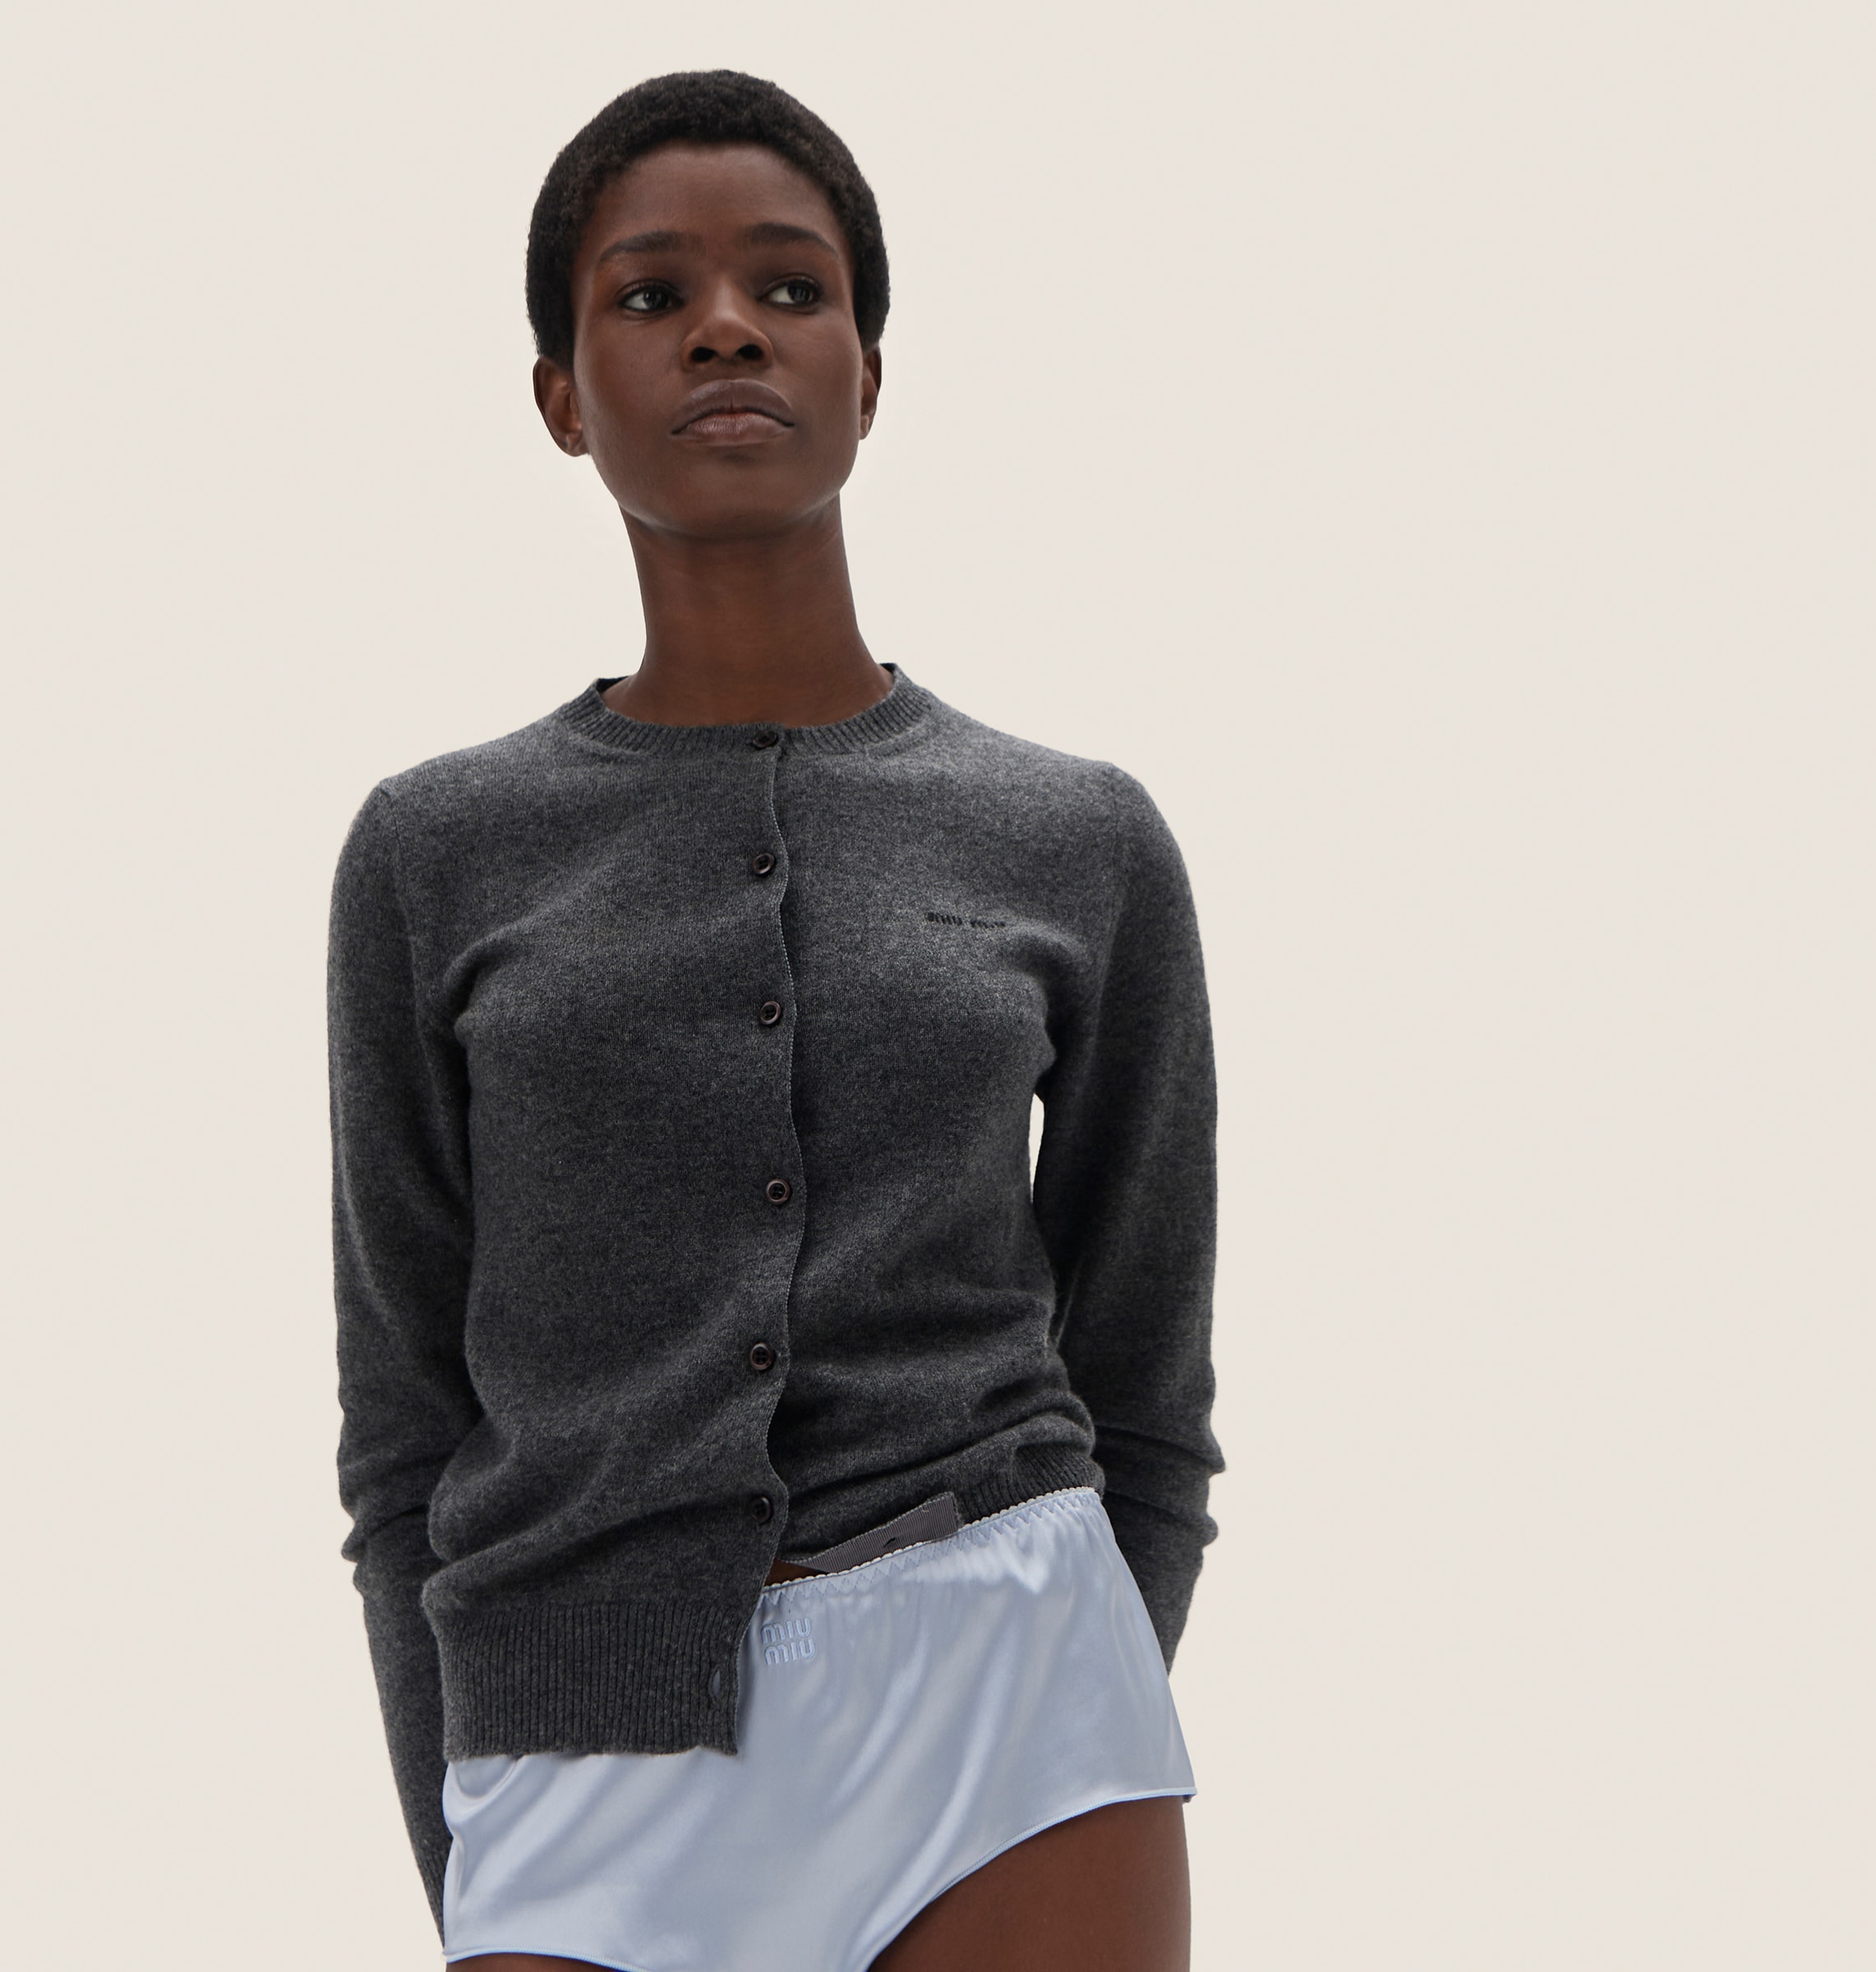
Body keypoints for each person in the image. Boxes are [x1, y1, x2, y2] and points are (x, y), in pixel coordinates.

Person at [328, 69, 1222, 1972]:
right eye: (652, 294)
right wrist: (473, 1831)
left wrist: (1080, 1691)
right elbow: (405, 1421)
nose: (727, 326)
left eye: (791, 288)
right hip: (579, 1723)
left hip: (1008, 1700)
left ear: (868, 375)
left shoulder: (1076, 836)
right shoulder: (435, 851)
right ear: (563, 396)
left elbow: (1148, 1385)